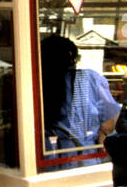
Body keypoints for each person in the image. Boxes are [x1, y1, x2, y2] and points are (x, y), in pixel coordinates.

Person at [40, 34, 119, 167]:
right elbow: (108, 125)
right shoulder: (90, 79)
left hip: (51, 161)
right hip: (86, 160)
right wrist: (101, 133)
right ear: (72, 58)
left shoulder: (39, 84)